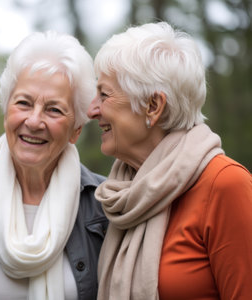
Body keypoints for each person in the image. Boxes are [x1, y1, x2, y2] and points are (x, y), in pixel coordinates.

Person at [87, 22, 252, 300]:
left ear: (153, 106)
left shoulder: (225, 184)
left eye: (104, 94)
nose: (92, 109)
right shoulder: (123, 193)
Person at [0, 31, 108, 300]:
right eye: (24, 103)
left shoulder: (105, 206)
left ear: (75, 130)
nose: (35, 121)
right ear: (6, 112)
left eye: (54, 109)